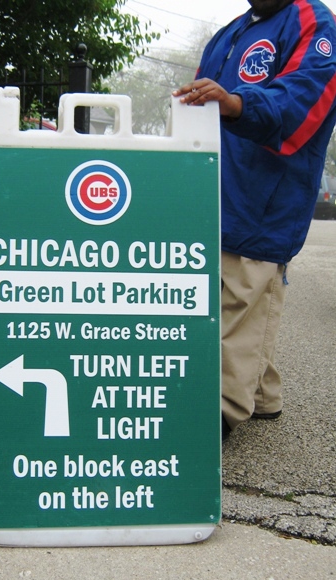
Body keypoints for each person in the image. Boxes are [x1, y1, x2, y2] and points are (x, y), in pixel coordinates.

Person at [173, 0, 336, 440]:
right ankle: (262, 395)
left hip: (267, 193)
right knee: (244, 296)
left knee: (243, 292)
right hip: (219, 187)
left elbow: (302, 98)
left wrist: (236, 102)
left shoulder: (313, 21)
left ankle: (219, 414)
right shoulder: (231, 31)